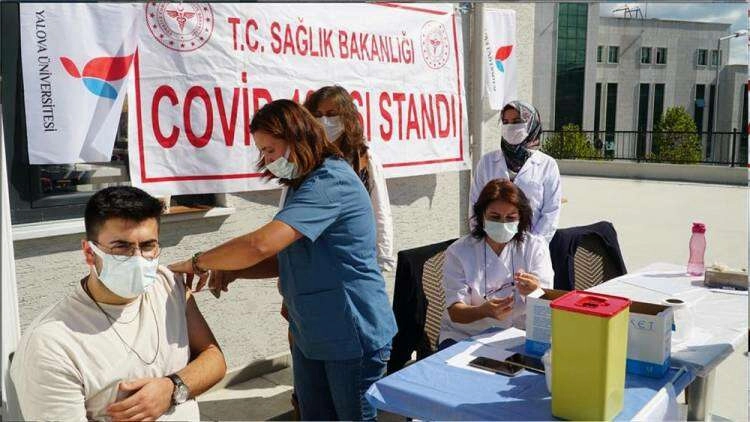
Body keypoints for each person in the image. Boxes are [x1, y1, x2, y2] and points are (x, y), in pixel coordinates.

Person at [169, 99, 397, 421]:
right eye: (261, 152)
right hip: (312, 332)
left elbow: (260, 245)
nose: (266, 160)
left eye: (270, 150)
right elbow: (287, 259)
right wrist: (232, 271)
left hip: (350, 333)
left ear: (297, 139)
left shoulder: (330, 182)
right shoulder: (302, 185)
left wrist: (198, 262)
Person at [10, 186, 226, 421]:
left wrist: (172, 388)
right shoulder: (52, 343)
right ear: (89, 252)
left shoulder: (168, 286)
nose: (138, 259)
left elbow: (214, 358)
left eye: (148, 245)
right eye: (121, 247)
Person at [439, 179, 553, 350]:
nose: (503, 224)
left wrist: (536, 291)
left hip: (519, 335)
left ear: (521, 217)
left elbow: (548, 304)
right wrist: (483, 311)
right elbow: (456, 312)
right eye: (494, 217)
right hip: (466, 336)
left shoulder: (534, 247)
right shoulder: (459, 251)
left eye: (510, 218)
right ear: (482, 216)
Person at [304, 85, 395, 272]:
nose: (324, 121)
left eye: (332, 114)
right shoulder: (306, 159)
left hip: (353, 256)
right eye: (318, 115)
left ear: (346, 117)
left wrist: (383, 256)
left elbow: (379, 209)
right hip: (313, 255)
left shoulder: (364, 159)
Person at [470, 101, 562, 242]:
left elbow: (551, 212)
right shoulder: (487, 162)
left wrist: (533, 245)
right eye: (505, 122)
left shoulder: (547, 165)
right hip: (490, 244)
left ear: (531, 124)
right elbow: (475, 205)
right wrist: (483, 241)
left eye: (517, 121)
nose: (510, 127)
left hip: (531, 244)